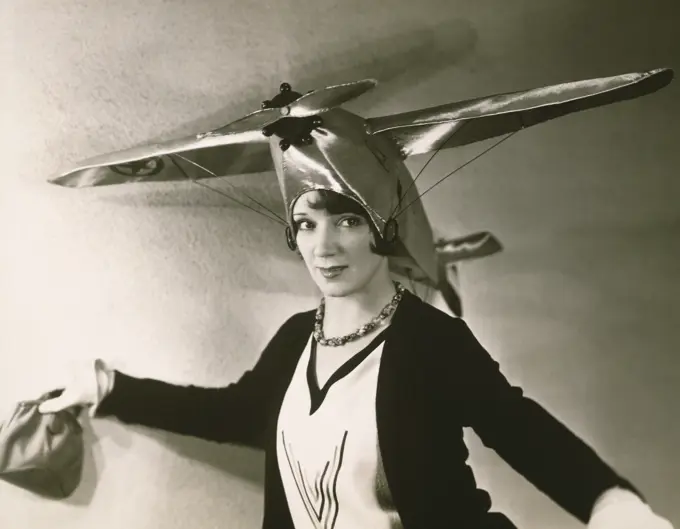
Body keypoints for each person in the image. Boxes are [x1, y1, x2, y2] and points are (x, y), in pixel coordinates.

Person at [40, 189, 673, 529]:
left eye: (346, 220)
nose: (324, 246)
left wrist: (608, 502)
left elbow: (518, 427)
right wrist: (111, 389)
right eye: (307, 225)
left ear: (383, 224)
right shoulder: (295, 337)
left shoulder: (432, 340)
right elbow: (236, 414)